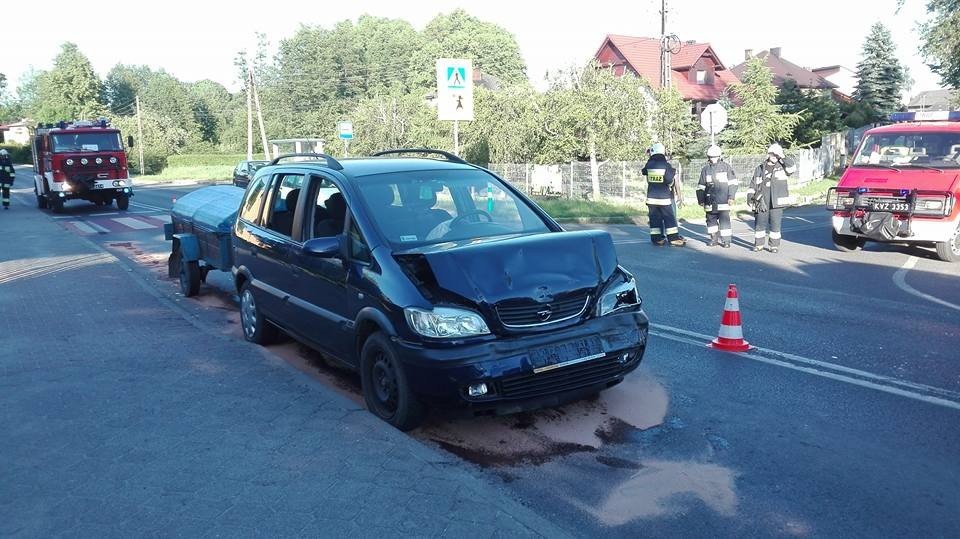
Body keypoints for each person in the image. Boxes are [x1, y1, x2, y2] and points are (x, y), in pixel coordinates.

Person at [747, 143, 796, 253]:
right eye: (773, 154)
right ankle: (758, 244)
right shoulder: (760, 168)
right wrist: (750, 198)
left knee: (775, 224)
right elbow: (753, 184)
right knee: (760, 223)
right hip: (761, 201)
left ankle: (774, 246)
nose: (775, 157)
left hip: (777, 202)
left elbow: (792, 168)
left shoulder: (783, 167)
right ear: (768, 154)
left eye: (777, 155)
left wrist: (782, 156)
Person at [642, 142, 685, 246]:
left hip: (651, 198)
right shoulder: (666, 165)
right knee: (669, 218)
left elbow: (644, 172)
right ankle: (673, 239)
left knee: (654, 219)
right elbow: (669, 181)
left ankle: (657, 239)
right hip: (664, 199)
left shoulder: (649, 164)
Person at [696, 145, 737, 247]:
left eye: (715, 156)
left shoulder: (726, 167)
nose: (713, 159)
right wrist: (701, 199)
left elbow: (733, 183)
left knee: (725, 222)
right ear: (708, 157)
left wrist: (731, 197)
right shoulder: (705, 169)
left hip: (723, 201)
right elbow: (701, 186)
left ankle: (726, 241)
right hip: (709, 201)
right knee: (711, 221)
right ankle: (714, 239)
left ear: (719, 156)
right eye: (711, 157)